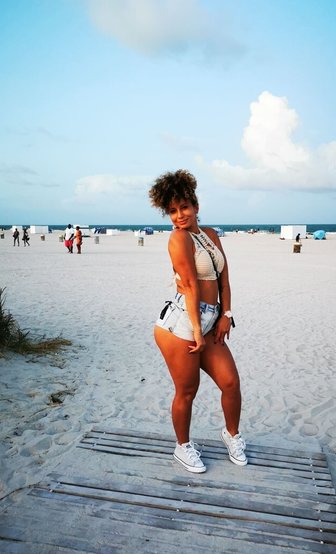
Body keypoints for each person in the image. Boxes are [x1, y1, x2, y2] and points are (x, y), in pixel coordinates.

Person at [149, 169, 246, 474]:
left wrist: (226, 315)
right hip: (181, 325)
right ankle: (182, 447)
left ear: (196, 206)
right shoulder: (178, 239)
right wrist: (197, 332)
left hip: (211, 319)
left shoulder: (210, 235)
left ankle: (232, 436)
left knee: (230, 382)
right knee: (187, 390)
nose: (179, 216)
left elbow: (224, 279)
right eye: (172, 211)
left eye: (184, 207)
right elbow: (190, 287)